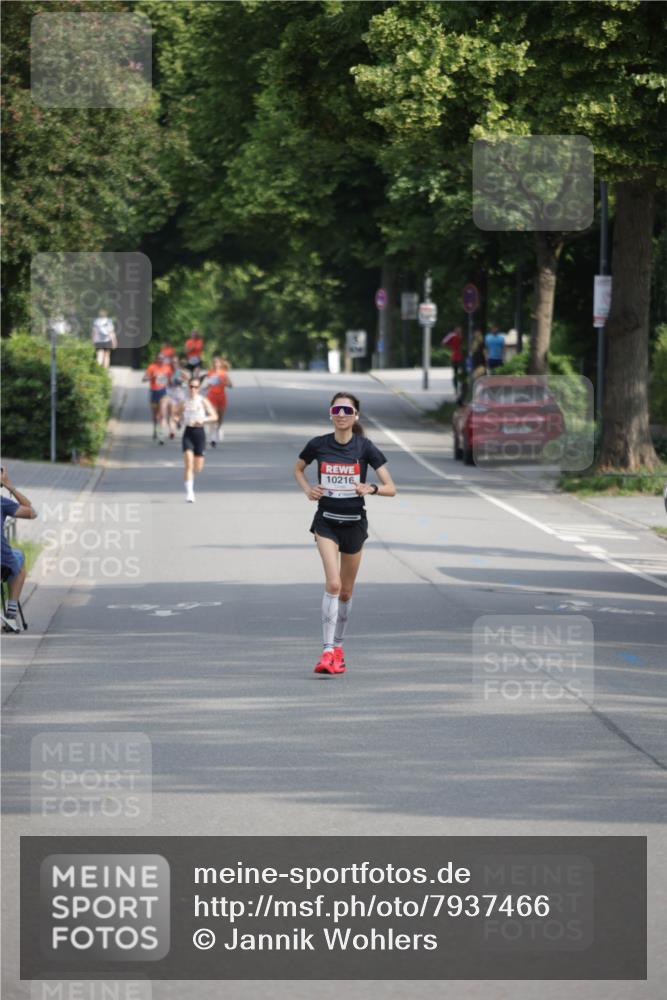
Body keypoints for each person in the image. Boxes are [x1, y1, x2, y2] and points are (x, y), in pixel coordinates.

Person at [294, 392, 396, 676]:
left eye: (347, 411)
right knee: (334, 584)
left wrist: (371, 488)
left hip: (354, 524)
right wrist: (308, 489)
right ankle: (327, 650)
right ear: (330, 413)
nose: (341, 415)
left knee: (347, 591)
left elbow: (391, 488)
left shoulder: (365, 447)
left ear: (355, 416)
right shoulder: (318, 444)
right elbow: (298, 468)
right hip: (326, 521)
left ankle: (338, 648)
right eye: (337, 410)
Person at [1, 467, 38, 632]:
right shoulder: (2, 502)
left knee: (16, 556)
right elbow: (32, 512)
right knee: (19, 558)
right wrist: (9, 486)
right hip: (2, 565)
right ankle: (11, 614)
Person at [182, 376, 218, 503]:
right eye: (191, 386)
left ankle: (192, 474)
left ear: (199, 388)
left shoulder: (203, 401)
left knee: (197, 468)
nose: (193, 389)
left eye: (196, 387)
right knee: (188, 464)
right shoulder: (184, 401)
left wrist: (203, 419)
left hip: (199, 433)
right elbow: (175, 413)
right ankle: (190, 493)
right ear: (188, 387)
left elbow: (214, 416)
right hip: (188, 432)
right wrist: (176, 418)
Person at [142, 352, 172, 443]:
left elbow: (170, 381)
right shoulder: (152, 367)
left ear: (164, 360)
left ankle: (161, 434)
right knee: (155, 415)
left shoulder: (167, 368)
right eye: (159, 358)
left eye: (162, 358)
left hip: (163, 392)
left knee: (162, 414)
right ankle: (155, 428)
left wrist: (170, 382)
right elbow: (143, 379)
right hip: (154, 392)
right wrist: (152, 376)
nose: (160, 360)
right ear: (156, 359)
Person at [205, 356, 233, 446]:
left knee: (220, 418)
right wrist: (204, 388)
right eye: (214, 362)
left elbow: (231, 385)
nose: (215, 364)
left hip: (221, 396)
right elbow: (209, 385)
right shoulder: (210, 372)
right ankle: (212, 437)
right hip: (212, 396)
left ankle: (218, 429)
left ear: (220, 364)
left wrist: (223, 382)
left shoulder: (223, 373)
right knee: (214, 416)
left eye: (217, 362)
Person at [166, 353, 190, 437]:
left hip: (181, 395)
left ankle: (179, 420)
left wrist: (181, 373)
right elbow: (165, 383)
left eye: (175, 362)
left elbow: (188, 378)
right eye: (172, 362)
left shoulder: (181, 371)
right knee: (171, 412)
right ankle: (172, 431)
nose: (174, 364)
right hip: (171, 394)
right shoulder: (168, 371)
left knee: (181, 411)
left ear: (178, 362)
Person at [441, 326, 464, 393]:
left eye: (459, 329)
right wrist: (450, 348)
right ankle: (456, 388)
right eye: (457, 329)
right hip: (455, 357)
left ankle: (461, 388)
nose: (458, 330)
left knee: (462, 373)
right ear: (455, 330)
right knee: (456, 373)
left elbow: (443, 343)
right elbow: (443, 343)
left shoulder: (462, 336)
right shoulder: (452, 335)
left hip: (461, 357)